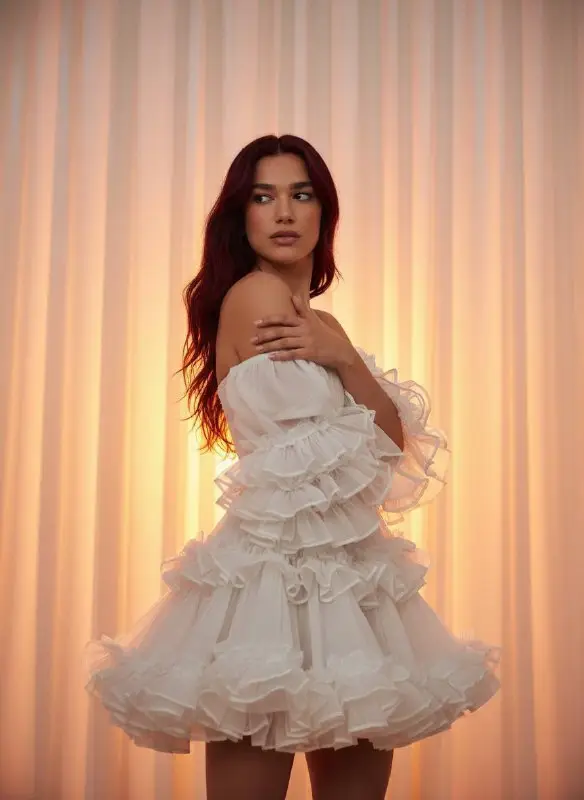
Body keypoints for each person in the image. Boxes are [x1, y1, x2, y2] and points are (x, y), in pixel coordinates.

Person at [84, 134, 500, 800]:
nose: (284, 212)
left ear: (323, 214)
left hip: (348, 586)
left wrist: (345, 358)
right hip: (272, 589)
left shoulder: (321, 324)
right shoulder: (254, 296)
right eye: (263, 196)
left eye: (301, 195)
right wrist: (341, 368)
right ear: (240, 216)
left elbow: (392, 457)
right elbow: (348, 465)